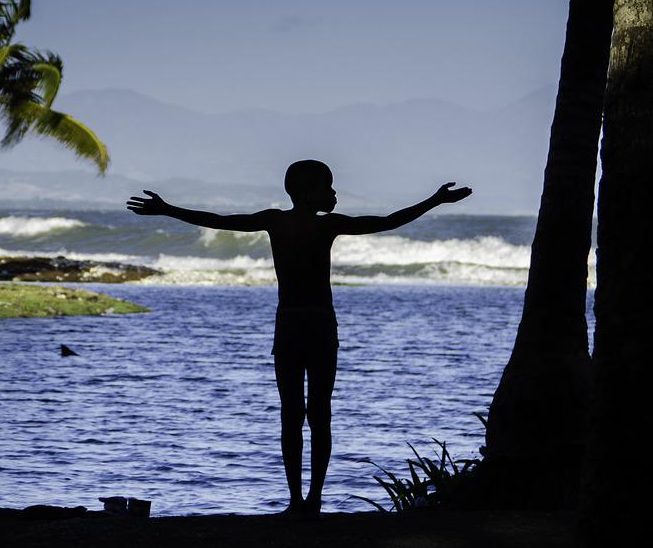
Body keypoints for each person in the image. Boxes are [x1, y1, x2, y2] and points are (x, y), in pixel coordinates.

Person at [126, 160, 472, 517]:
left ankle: (299, 502)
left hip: (290, 326)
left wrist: (167, 210)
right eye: (329, 188)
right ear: (308, 193)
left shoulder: (276, 221)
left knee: (292, 415)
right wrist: (433, 201)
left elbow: (221, 222)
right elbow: (384, 223)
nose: (335, 194)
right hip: (320, 326)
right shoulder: (328, 225)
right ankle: (311, 501)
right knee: (319, 415)